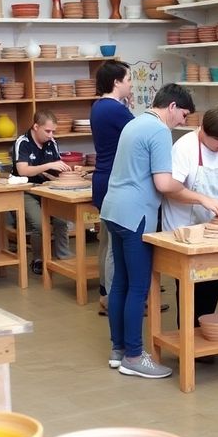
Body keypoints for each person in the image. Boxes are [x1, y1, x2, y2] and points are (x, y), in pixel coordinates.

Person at [101, 84, 218, 379]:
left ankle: (118, 350)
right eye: (183, 114)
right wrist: (203, 198)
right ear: (171, 106)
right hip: (136, 215)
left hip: (113, 209)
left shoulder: (134, 123)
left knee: (119, 283)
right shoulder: (158, 130)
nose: (182, 121)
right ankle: (134, 356)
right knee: (138, 288)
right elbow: (164, 184)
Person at [161, 105, 218, 338]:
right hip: (184, 229)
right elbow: (171, 190)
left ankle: (206, 335)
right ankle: (188, 339)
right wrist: (202, 199)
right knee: (190, 287)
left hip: (214, 227)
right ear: (203, 130)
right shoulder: (184, 148)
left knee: (215, 280)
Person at [90, 61, 133, 314]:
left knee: (106, 241)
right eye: (128, 79)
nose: (130, 84)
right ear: (116, 82)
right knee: (115, 247)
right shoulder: (114, 110)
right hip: (114, 180)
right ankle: (114, 299)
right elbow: (141, 132)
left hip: (103, 178)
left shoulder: (99, 106)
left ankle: (107, 294)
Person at [12, 110, 72, 274]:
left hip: (47, 189)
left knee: (61, 220)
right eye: (47, 131)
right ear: (35, 126)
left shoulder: (52, 143)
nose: (51, 135)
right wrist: (48, 166)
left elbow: (55, 170)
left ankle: (64, 258)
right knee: (39, 224)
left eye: (53, 131)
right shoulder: (23, 142)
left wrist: (70, 170)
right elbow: (22, 170)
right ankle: (38, 259)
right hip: (26, 189)